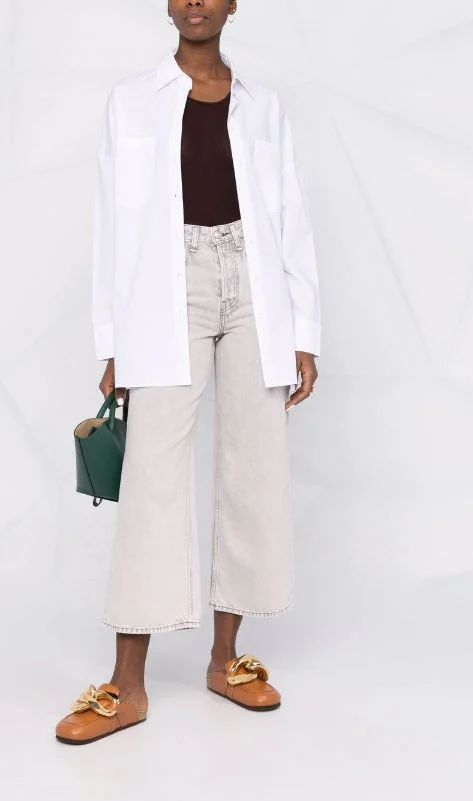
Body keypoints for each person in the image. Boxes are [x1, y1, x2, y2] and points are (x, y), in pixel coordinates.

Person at [55, 0, 320, 745]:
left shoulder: (263, 106)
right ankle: (127, 683)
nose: (195, 1)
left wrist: (303, 329)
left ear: (233, 5)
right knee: (152, 477)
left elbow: (289, 215)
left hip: (255, 286)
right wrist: (113, 338)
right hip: (167, 286)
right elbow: (112, 221)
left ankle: (225, 659)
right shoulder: (131, 100)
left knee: (254, 466)